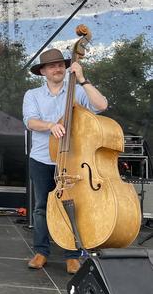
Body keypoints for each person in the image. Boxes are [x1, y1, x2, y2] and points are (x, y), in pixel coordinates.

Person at [22, 48, 108, 275]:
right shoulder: (32, 95)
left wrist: (82, 79)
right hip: (42, 158)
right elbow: (30, 122)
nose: (58, 68)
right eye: (52, 66)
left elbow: (101, 106)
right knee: (41, 208)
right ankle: (42, 251)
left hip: (73, 159)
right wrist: (51, 125)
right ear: (43, 71)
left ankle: (72, 255)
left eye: (61, 64)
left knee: (74, 205)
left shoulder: (77, 91)